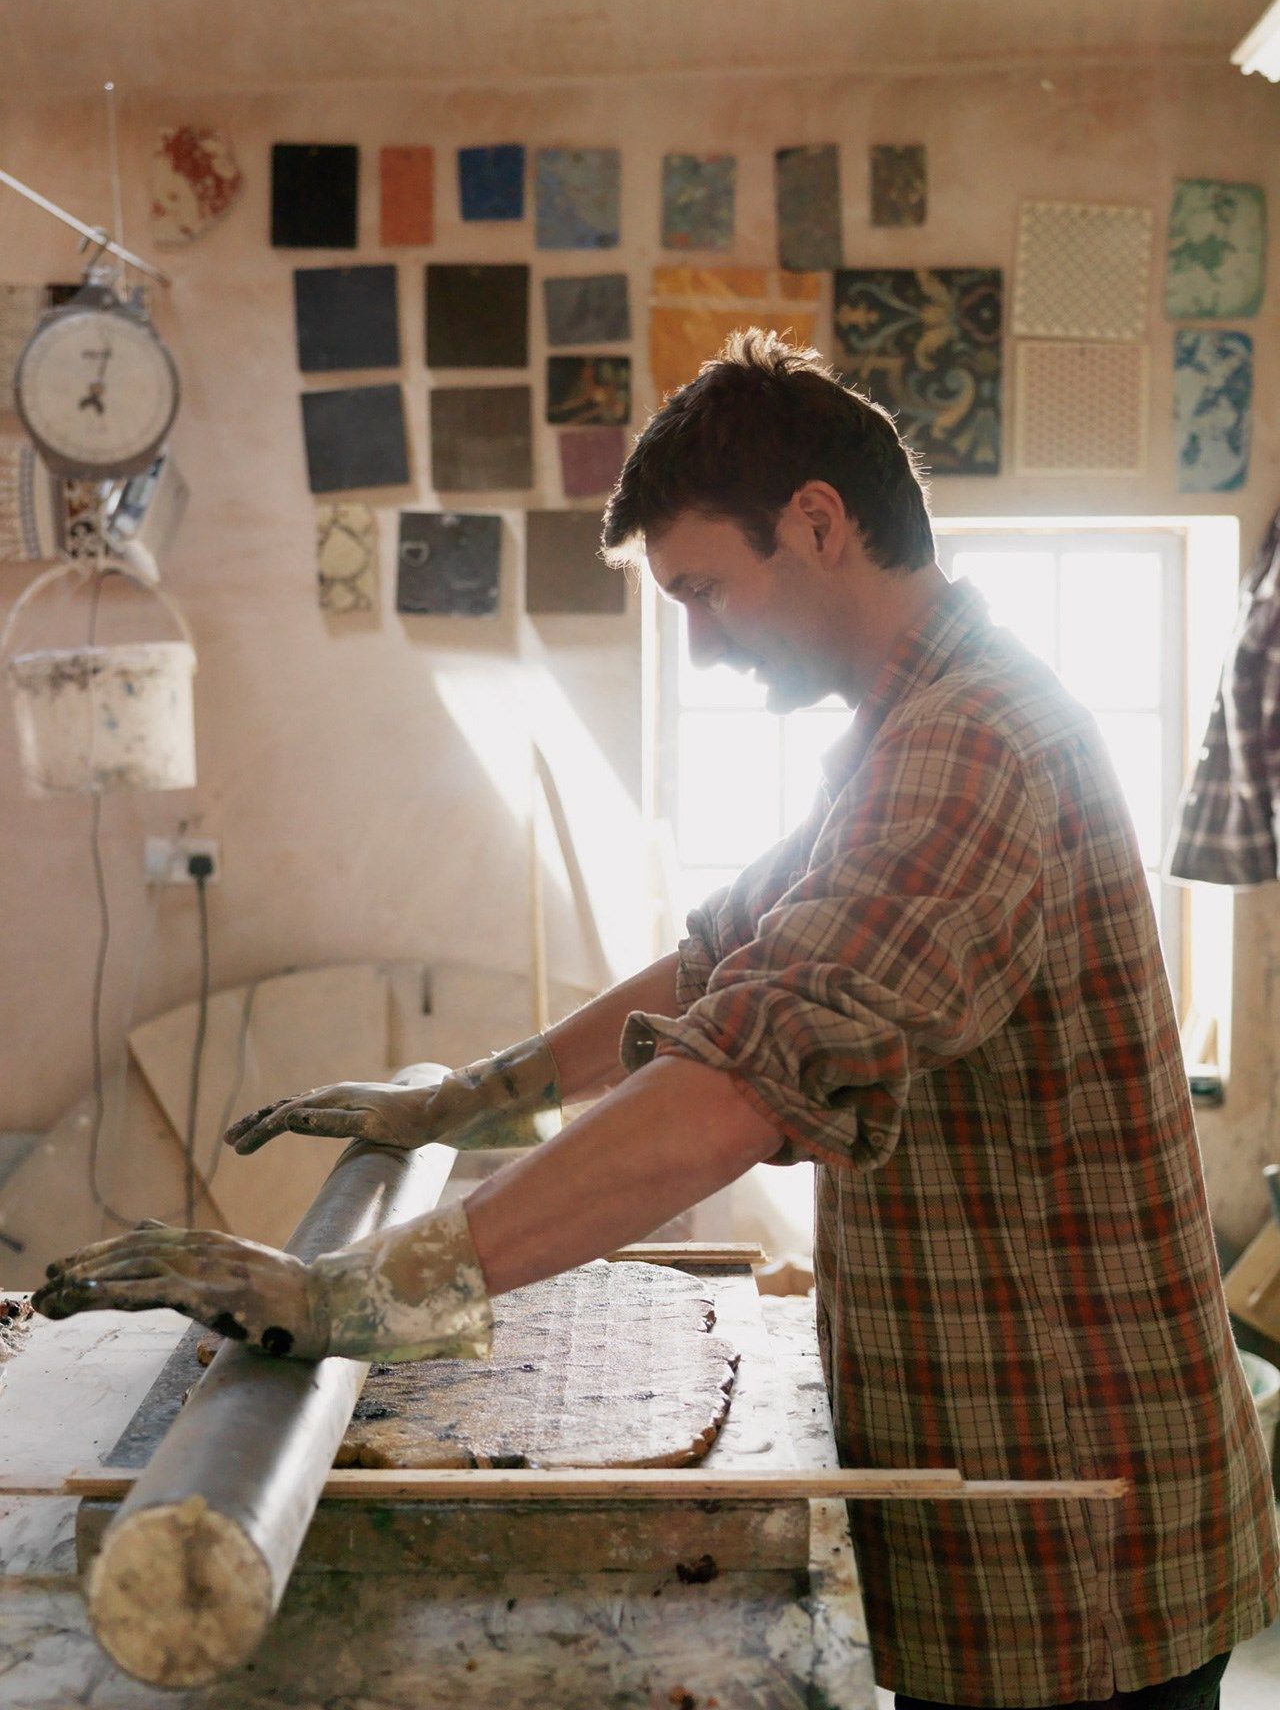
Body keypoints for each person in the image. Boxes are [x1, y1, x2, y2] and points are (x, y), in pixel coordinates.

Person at [35, 332, 1279, 1709]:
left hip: (1067, 1525)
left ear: (817, 522)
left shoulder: (975, 746)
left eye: (703, 591)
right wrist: (466, 1099)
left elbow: (740, 1081)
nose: (696, 641)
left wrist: (352, 1295)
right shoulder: (907, 728)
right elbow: (719, 962)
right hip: (1013, 1484)